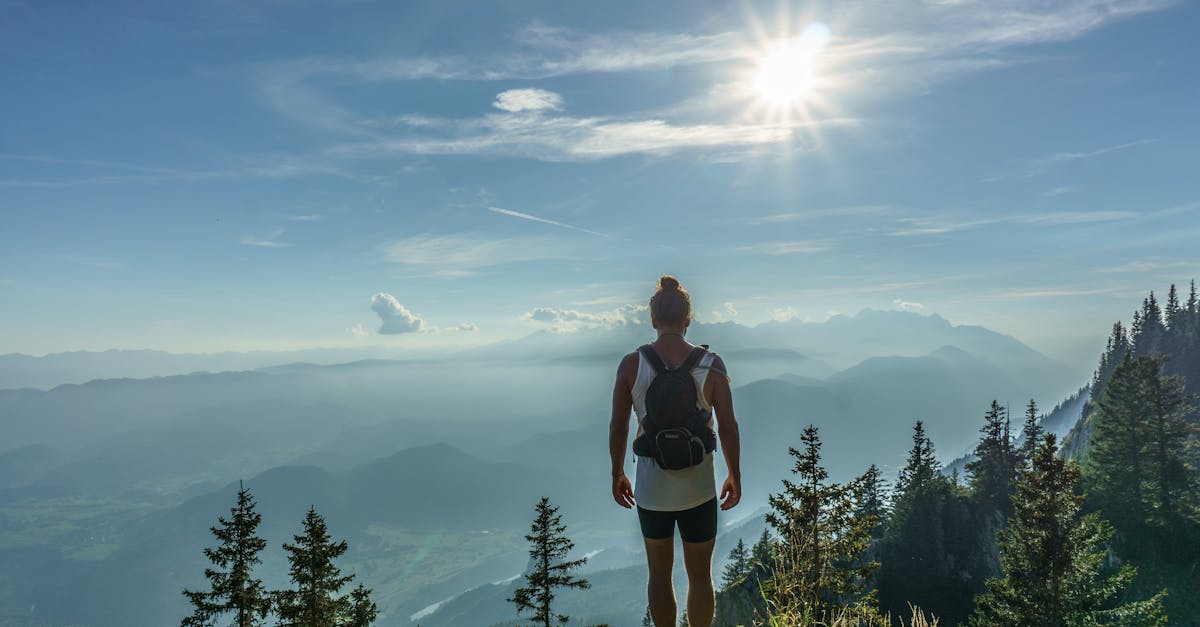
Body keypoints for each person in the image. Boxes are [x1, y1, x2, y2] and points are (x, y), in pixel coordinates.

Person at [609, 275, 742, 627]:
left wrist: (617, 473)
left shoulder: (630, 365)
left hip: (652, 491)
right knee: (700, 577)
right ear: (688, 319)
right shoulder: (712, 364)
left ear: (653, 319)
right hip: (698, 488)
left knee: (659, 575)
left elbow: (618, 425)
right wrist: (735, 474)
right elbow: (728, 427)